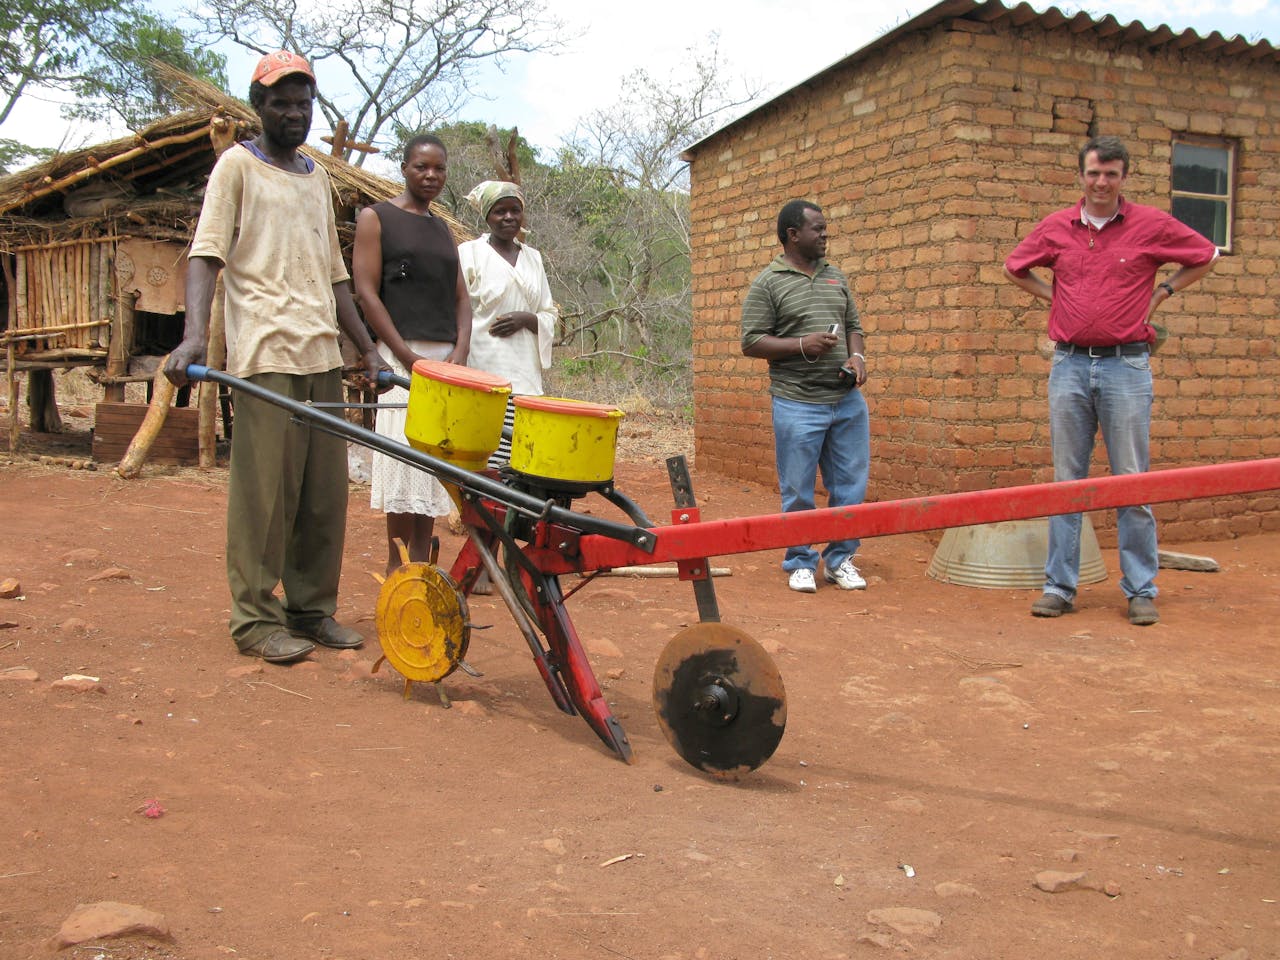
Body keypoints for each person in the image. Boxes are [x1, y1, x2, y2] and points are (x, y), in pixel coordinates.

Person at [164, 50, 387, 665]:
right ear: (258, 107)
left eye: (304, 102)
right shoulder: (236, 168)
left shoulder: (318, 178)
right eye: (281, 102)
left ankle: (312, 607)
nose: (294, 113)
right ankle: (255, 619)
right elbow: (206, 255)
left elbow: (337, 276)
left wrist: (366, 349)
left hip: (319, 349)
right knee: (265, 492)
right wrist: (191, 336)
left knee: (322, 493)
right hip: (263, 347)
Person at [1003, 135, 1218, 626]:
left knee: (1132, 481)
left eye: (1111, 174)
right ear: (1081, 176)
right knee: (1066, 483)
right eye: (1094, 173)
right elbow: (1014, 267)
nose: (1102, 182)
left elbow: (1205, 255)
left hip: (1127, 365)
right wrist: (1052, 299)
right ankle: (1059, 587)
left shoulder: (1150, 224)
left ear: (1124, 177)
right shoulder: (1057, 227)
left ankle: (1140, 588)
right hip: (1071, 365)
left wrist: (1162, 291)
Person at [352, 134, 472, 574]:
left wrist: (459, 350)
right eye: (422, 166)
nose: (431, 175)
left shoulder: (442, 229)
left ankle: (420, 566)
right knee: (404, 460)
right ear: (404, 167)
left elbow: (461, 297)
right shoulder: (376, 218)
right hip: (403, 358)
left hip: (445, 363)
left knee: (433, 465)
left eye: (439, 168)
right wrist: (405, 357)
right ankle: (396, 568)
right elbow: (366, 291)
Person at [741, 199, 871, 594]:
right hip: (797, 401)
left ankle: (840, 559)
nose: (825, 235)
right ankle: (799, 560)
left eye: (825, 228)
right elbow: (751, 342)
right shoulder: (769, 282)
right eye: (818, 229)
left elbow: (853, 325)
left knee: (850, 485)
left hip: (846, 400)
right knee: (798, 488)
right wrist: (802, 345)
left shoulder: (836, 276)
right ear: (793, 235)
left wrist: (857, 356)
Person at [457, 180, 556, 466]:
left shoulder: (533, 258)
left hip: (525, 374)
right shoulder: (470, 253)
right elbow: (458, 308)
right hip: (484, 369)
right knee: (485, 457)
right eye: (500, 211)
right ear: (487, 215)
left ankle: (515, 512)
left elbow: (549, 312)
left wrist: (527, 319)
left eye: (515, 210)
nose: (509, 217)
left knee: (519, 459)